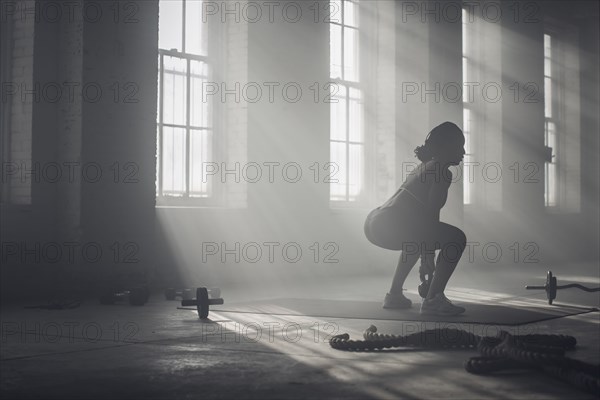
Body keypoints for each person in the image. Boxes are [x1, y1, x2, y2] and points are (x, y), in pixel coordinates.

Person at [364, 122, 467, 316]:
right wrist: (428, 257)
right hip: (389, 224)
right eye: (459, 146)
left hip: (374, 222)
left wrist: (425, 253)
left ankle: (394, 295)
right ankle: (434, 298)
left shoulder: (425, 165)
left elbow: (422, 224)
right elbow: (431, 215)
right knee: (457, 238)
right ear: (445, 147)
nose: (463, 151)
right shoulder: (441, 172)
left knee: (416, 236)